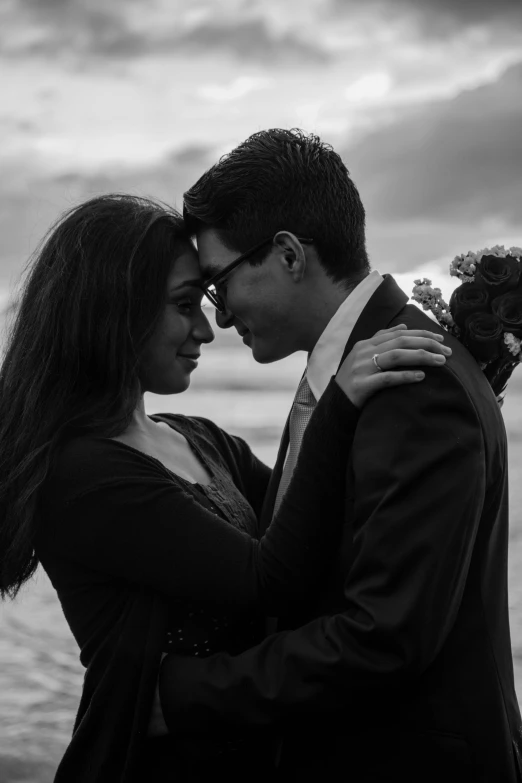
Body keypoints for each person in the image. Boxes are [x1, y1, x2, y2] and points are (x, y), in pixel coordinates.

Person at [0, 194, 447, 783]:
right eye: (185, 305)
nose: (207, 330)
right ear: (114, 312)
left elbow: (319, 528)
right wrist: (335, 405)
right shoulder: (84, 477)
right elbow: (273, 579)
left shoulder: (200, 439)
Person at [155, 129, 522, 782]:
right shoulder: (355, 363)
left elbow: (384, 638)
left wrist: (183, 693)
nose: (222, 316)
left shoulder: (410, 376)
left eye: (219, 285)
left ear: (290, 254)